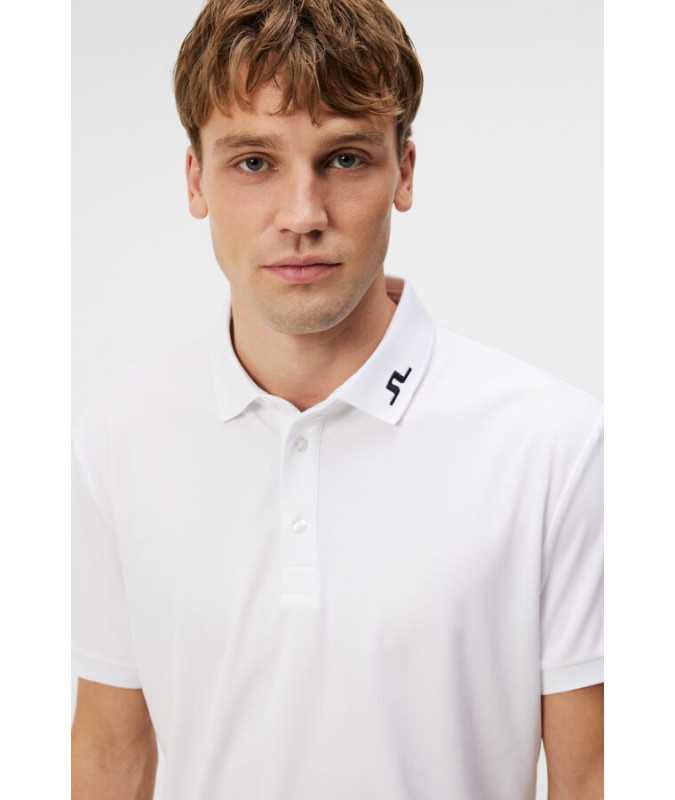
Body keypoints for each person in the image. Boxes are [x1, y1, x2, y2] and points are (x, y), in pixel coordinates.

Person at [71, 1, 603, 798]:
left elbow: (593, 774)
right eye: (254, 162)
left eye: (345, 158)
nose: (301, 215)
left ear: (404, 172)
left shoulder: (554, 444)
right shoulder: (120, 438)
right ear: (195, 180)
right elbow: (111, 752)